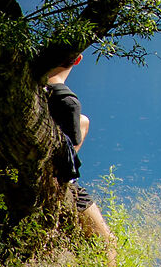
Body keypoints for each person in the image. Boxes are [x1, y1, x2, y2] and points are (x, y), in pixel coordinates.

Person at [43, 54, 113, 241]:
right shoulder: (66, 101)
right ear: (78, 59)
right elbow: (66, 158)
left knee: (83, 121)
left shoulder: (29, 89)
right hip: (58, 184)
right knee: (107, 243)